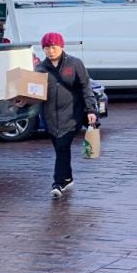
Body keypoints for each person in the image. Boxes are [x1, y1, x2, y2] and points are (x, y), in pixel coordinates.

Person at [39, 32, 98, 200]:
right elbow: (35, 94)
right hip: (50, 117)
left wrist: (91, 110)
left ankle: (57, 183)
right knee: (60, 148)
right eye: (46, 48)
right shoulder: (40, 69)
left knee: (63, 147)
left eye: (53, 47)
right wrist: (23, 102)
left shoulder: (75, 63)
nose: (50, 51)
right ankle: (68, 177)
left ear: (61, 46)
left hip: (72, 115)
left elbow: (85, 87)